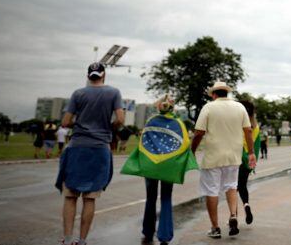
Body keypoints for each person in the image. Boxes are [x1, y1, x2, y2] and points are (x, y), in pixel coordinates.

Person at [55, 62, 124, 245]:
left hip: (77, 146)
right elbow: (121, 119)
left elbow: (65, 121)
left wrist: (79, 124)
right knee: (90, 197)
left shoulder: (78, 93)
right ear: (104, 75)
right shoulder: (114, 93)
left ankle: (68, 238)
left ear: (88, 76)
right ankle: (82, 240)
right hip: (100, 147)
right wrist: (107, 127)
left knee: (70, 195)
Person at [121, 95, 198, 245]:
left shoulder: (151, 121)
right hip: (168, 165)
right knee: (166, 197)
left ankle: (148, 232)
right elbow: (185, 145)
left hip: (151, 163)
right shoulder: (178, 123)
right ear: (173, 109)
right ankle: (164, 236)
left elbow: (143, 142)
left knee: (150, 198)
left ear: (158, 107)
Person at [191, 81, 256, 240]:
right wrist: (252, 152)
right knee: (231, 187)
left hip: (213, 157)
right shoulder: (239, 107)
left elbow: (199, 132)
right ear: (226, 93)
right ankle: (233, 215)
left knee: (211, 191)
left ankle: (215, 228)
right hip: (234, 157)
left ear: (214, 94)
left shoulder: (208, 107)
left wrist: (191, 150)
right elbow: (248, 130)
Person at [236, 100, 261, 225]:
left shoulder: (239, 124)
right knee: (242, 186)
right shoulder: (256, 126)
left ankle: (233, 216)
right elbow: (257, 146)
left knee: (232, 188)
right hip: (248, 161)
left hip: (237, 158)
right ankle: (246, 205)